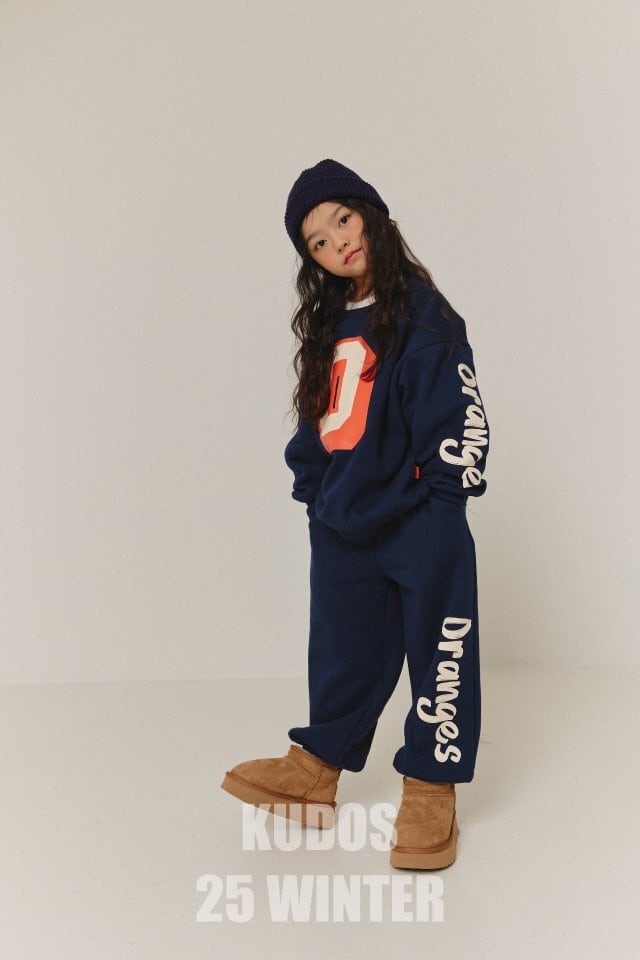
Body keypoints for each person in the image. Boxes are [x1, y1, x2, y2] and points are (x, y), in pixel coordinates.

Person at [221, 158, 490, 870]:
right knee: (343, 649)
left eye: (343, 219)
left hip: (419, 518)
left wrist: (443, 499)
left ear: (371, 214)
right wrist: (316, 491)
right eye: (317, 240)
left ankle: (431, 784)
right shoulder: (331, 325)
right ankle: (318, 769)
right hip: (343, 522)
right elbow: (320, 422)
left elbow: (458, 414)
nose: (337, 241)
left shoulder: (425, 314)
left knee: (439, 652)